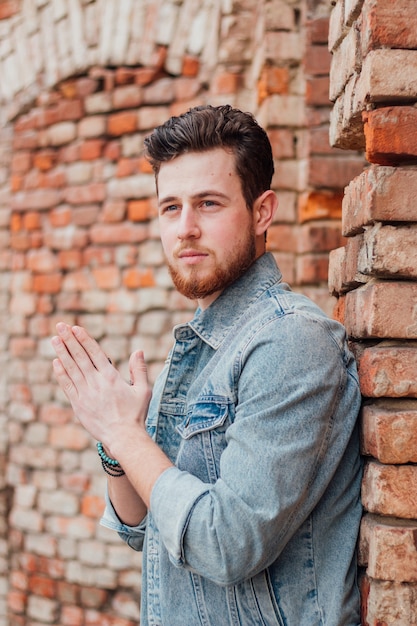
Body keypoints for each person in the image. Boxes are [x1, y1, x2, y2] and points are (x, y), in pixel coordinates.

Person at [51, 104, 363, 626]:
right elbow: (139, 524)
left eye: (208, 204)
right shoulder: (201, 343)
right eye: (170, 207)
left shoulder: (291, 341)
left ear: (262, 211)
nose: (185, 229)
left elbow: (227, 544)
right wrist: (116, 440)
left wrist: (124, 435)